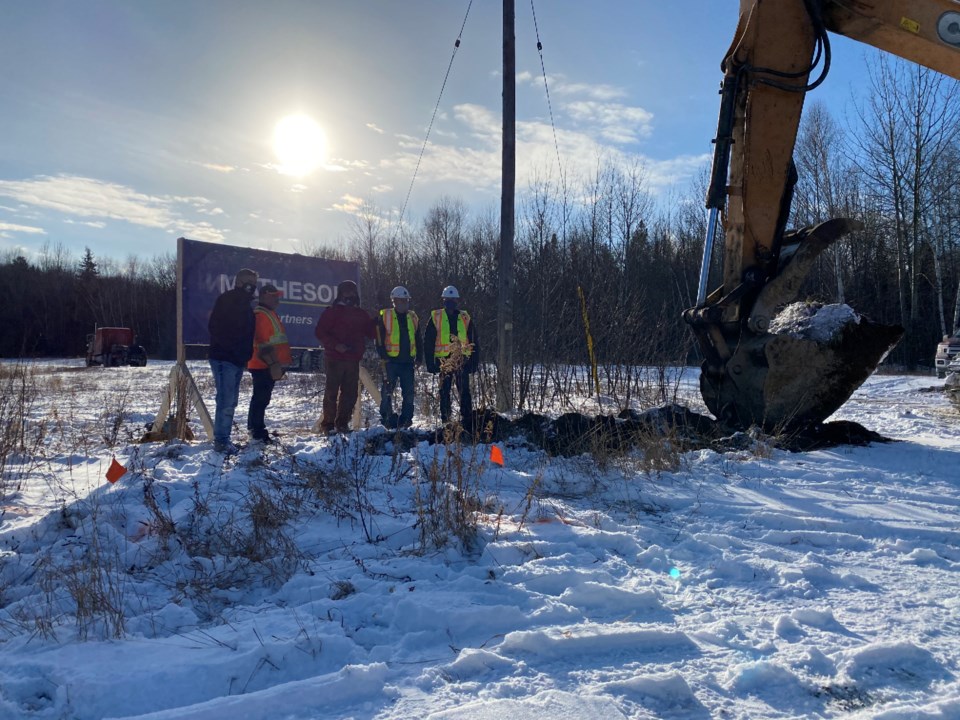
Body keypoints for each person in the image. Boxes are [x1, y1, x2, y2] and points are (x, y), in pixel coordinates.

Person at [315, 280, 375, 435]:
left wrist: (377, 323)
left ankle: (342, 424)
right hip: (335, 358)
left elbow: (371, 333)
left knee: (350, 393)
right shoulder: (332, 312)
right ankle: (328, 425)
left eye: (353, 291)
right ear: (341, 294)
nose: (351, 295)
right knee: (331, 392)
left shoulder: (360, 313)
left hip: (353, 359)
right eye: (347, 292)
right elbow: (320, 332)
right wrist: (335, 345)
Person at [208, 268, 258, 454]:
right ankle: (221, 442)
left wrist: (244, 354)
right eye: (247, 281)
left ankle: (224, 439)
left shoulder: (247, 305)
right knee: (226, 400)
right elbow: (215, 327)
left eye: (253, 283)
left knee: (231, 400)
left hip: (237, 359)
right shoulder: (227, 300)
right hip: (224, 357)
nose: (250, 286)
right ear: (237, 282)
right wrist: (233, 349)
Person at [424, 285, 479, 425]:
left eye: (453, 299)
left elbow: (474, 340)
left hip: (462, 360)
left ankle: (467, 419)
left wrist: (474, 361)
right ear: (443, 300)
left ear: (457, 301)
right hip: (444, 361)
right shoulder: (436, 317)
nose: (450, 302)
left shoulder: (465, 317)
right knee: (444, 391)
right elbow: (428, 341)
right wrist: (430, 362)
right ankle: (446, 421)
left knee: (464, 391)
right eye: (448, 299)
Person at [247, 284, 291, 444]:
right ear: (264, 295)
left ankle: (255, 428)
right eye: (274, 296)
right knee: (261, 398)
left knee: (261, 398)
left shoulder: (268, 313)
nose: (277, 299)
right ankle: (257, 431)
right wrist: (273, 364)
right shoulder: (261, 315)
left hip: (267, 364)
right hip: (263, 364)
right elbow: (262, 342)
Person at [376, 286, 421, 429]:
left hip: (408, 363)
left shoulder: (413, 317)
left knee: (408, 393)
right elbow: (378, 339)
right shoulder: (385, 316)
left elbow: (418, 338)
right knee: (387, 392)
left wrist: (419, 357)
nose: (403, 303)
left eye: (405, 301)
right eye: (400, 300)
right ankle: (387, 418)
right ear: (394, 301)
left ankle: (406, 419)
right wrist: (383, 356)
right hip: (391, 362)